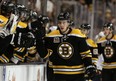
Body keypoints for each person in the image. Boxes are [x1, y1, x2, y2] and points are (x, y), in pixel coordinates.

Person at [35, 12, 96, 81]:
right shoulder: (51, 36)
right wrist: (39, 39)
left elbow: (85, 54)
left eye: (64, 22)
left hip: (77, 75)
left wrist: (89, 65)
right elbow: (44, 54)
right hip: (59, 75)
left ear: (68, 23)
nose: (61, 25)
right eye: (60, 22)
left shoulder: (77, 34)